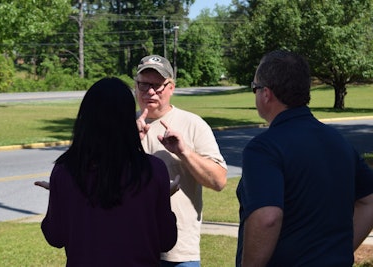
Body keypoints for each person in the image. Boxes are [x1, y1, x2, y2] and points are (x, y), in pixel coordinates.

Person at [236, 50, 373, 266]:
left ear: (266, 93)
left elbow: (267, 218)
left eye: (254, 87)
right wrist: (339, 251)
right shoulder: (339, 141)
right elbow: (369, 201)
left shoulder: (263, 148)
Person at [38, 77, 177, 266]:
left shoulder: (65, 170)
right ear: (129, 119)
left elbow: (55, 236)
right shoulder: (153, 170)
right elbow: (166, 239)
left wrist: (61, 194)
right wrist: (160, 195)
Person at [135, 55, 228, 266]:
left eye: (157, 86)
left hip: (178, 252)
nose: (150, 91)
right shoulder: (122, 126)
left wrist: (184, 151)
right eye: (143, 85)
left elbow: (219, 181)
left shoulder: (193, 125)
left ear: (171, 88)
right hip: (132, 247)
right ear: (135, 85)